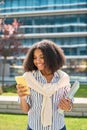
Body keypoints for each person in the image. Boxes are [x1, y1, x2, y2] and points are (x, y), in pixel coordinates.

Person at [16, 39, 73, 130]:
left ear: (51, 57)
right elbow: (25, 109)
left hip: (58, 127)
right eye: (34, 57)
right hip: (34, 127)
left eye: (41, 57)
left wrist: (68, 106)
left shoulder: (63, 79)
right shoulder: (28, 78)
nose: (37, 61)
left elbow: (70, 103)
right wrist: (22, 97)